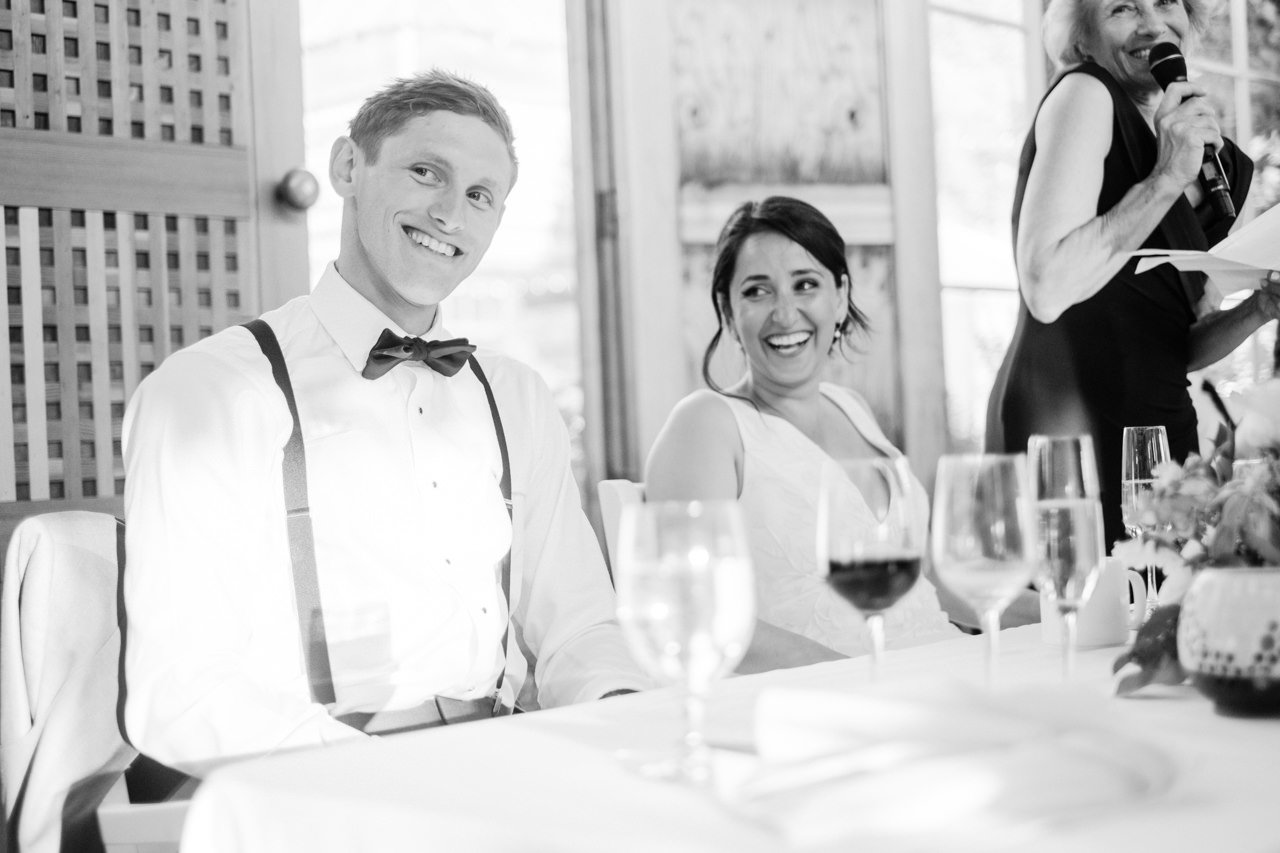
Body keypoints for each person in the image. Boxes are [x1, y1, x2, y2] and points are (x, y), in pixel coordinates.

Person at [121, 70, 646, 776]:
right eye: (427, 173)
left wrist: (625, 710)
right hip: (313, 788)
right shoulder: (210, 393)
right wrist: (385, 778)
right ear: (348, 167)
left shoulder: (515, 395)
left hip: (506, 766)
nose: (450, 215)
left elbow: (578, 624)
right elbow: (179, 692)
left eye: (480, 196)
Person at [985, 0, 1280, 552]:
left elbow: (1179, 344)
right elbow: (1047, 286)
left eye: (1165, 2)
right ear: (1082, 37)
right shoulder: (1086, 95)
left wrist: (1258, 309)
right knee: (1069, 628)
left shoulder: (1222, 167)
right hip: (1066, 433)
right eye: (1122, 8)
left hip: (1162, 445)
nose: (1150, 23)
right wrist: (1167, 175)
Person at [645, 197, 967, 670]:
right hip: (828, 708)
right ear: (728, 311)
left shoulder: (851, 409)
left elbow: (928, 584)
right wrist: (865, 682)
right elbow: (699, 610)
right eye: (758, 291)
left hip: (940, 672)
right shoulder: (707, 424)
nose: (785, 312)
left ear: (839, 296)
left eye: (805, 285)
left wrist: (1069, 607)